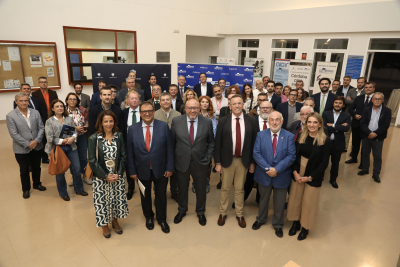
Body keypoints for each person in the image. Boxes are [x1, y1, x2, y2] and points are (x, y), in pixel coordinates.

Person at [127, 102, 174, 233]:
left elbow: (170, 149)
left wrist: (170, 168)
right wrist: (132, 171)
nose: (147, 114)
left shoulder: (164, 126)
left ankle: (162, 219)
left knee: (161, 196)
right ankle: (148, 217)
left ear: (154, 111)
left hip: (161, 170)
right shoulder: (132, 129)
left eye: (149, 111)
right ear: (140, 113)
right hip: (141, 170)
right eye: (144, 112)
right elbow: (129, 153)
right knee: (145, 196)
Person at [215, 94, 258, 228]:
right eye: (234, 104)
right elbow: (218, 143)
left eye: (239, 103)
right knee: (225, 188)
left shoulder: (251, 121)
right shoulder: (223, 121)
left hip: (243, 161)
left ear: (243, 105)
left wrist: (252, 162)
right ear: (230, 106)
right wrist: (217, 162)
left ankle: (239, 214)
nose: (237, 106)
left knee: (240, 189)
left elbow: (254, 144)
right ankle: (223, 213)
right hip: (227, 160)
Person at [286, 112, 330, 241]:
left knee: (309, 202)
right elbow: (294, 156)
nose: (311, 125)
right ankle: (295, 222)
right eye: (309, 122)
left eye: (315, 122)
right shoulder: (300, 136)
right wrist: (295, 172)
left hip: (314, 173)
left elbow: (324, 164)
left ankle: (305, 227)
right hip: (299, 170)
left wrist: (310, 178)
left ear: (320, 124)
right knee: (296, 198)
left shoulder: (325, 141)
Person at [252, 111, 296, 237]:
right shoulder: (260, 135)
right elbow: (256, 153)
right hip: (264, 174)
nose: (274, 122)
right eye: (272, 119)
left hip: (281, 174)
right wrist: (268, 168)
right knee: (263, 199)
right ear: (268, 121)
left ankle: (278, 224)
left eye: (277, 120)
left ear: (282, 121)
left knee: (280, 202)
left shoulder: (289, 136)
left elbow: (291, 156)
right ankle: (260, 219)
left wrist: (276, 169)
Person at [171, 99, 214, 226]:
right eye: (190, 108)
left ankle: (200, 212)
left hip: (200, 162)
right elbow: (172, 143)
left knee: (201, 189)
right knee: (182, 188)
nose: (193, 110)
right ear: (185, 108)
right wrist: (173, 161)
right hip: (181, 161)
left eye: (195, 108)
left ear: (199, 108)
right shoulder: (176, 121)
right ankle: (182, 210)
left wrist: (207, 158)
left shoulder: (206, 122)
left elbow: (211, 142)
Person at [88, 110, 128, 238]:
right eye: (105, 121)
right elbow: (92, 160)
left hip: (116, 176)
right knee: (103, 201)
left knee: (116, 200)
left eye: (111, 121)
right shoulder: (94, 138)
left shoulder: (119, 136)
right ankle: (104, 224)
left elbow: (123, 156)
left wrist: (119, 173)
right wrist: (105, 175)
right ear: (101, 123)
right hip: (101, 177)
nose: (108, 124)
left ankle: (115, 221)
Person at [45, 99, 88, 201]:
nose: (60, 108)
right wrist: (62, 141)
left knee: (77, 168)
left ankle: (79, 189)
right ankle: (63, 192)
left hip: (71, 146)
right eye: (57, 106)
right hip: (58, 149)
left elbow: (74, 131)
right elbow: (50, 138)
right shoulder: (49, 121)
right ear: (52, 109)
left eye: (61, 106)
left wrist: (73, 137)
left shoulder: (68, 118)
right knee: (60, 172)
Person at [7, 92, 46, 199]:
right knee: (24, 170)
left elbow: (41, 128)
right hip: (21, 148)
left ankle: (37, 184)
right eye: (21, 101)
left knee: (36, 167)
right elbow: (14, 134)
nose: (24, 102)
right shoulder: (11, 115)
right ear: (16, 102)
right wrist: (28, 144)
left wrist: (36, 141)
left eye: (26, 100)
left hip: (37, 146)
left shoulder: (35, 112)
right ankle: (26, 189)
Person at [154, 92, 181, 202]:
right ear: (160, 102)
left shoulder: (178, 115)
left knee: (174, 171)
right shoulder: (155, 114)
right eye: (163, 100)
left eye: (167, 99)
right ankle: (159, 193)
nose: (165, 101)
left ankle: (174, 191)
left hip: (175, 148)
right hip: (159, 149)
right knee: (159, 172)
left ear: (171, 101)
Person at [359, 92, 391, 183]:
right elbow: (362, 123)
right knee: (365, 153)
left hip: (378, 137)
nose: (377, 100)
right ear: (372, 100)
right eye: (375, 99)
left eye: (379, 99)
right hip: (366, 136)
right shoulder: (366, 109)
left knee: (377, 156)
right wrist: (369, 133)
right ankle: (365, 169)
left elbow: (386, 125)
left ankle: (376, 174)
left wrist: (375, 133)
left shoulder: (387, 111)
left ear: (382, 100)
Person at [322, 96, 351, 188]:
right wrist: (339, 127)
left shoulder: (346, 116)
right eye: (336, 103)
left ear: (343, 105)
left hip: (338, 143)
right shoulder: (326, 113)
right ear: (333, 103)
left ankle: (333, 179)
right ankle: (320, 177)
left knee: (335, 163)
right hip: (326, 142)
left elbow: (346, 128)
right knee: (323, 161)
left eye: (340, 103)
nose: (337, 105)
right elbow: (324, 126)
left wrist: (333, 125)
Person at [65, 93, 92, 186]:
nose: (72, 101)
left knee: (83, 157)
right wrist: (75, 128)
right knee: (73, 159)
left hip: (81, 137)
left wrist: (87, 125)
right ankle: (74, 176)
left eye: (74, 99)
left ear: (77, 101)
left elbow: (88, 120)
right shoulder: (63, 111)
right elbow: (61, 126)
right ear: (67, 100)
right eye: (70, 99)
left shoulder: (82, 110)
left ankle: (85, 176)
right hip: (69, 138)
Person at [192, 96, 217, 194]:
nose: (205, 104)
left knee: (207, 165)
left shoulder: (212, 115)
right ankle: (195, 183)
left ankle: (206, 183)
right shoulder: (195, 114)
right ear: (199, 104)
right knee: (195, 165)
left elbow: (214, 130)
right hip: (197, 144)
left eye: (207, 102)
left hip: (208, 144)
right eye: (203, 102)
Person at [346, 81, 375, 166]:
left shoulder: (376, 99)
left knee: (365, 146)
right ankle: (354, 158)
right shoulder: (359, 98)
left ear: (374, 89)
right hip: (356, 124)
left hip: (368, 127)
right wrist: (355, 115)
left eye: (370, 87)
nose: (368, 89)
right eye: (366, 87)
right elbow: (351, 109)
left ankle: (363, 163)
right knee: (355, 143)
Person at [32, 76, 58, 163]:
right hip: (41, 118)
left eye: (45, 82)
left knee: (53, 136)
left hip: (52, 117)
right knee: (43, 138)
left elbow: (56, 104)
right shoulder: (35, 94)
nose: (44, 83)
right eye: (42, 82)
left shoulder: (53, 93)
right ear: (39, 84)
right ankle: (44, 157)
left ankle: (55, 154)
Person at [120, 90, 141, 200]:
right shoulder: (123, 113)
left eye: (136, 98)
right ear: (127, 100)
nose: (134, 100)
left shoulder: (144, 112)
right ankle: (131, 188)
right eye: (132, 98)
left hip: (142, 144)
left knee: (142, 165)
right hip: (128, 143)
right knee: (129, 166)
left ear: (139, 100)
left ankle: (143, 186)